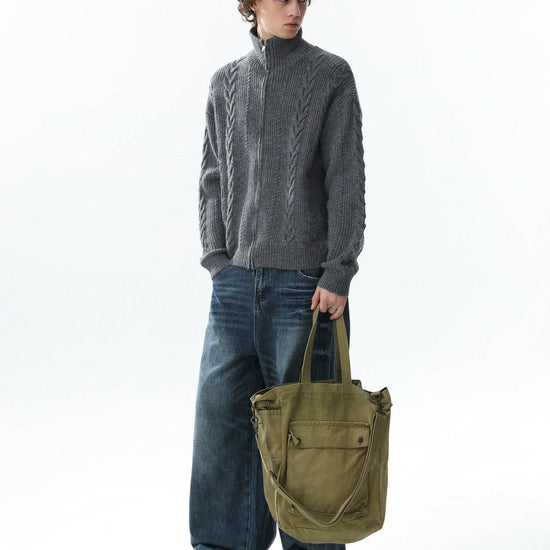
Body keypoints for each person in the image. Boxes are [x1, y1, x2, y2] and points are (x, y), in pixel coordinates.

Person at [189, 0, 366, 548]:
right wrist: (218, 262)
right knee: (223, 437)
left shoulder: (331, 74)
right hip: (234, 288)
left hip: (305, 291)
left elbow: (346, 176)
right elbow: (212, 179)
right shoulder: (225, 83)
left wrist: (338, 270)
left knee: (308, 444)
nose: (295, 8)